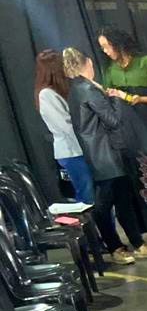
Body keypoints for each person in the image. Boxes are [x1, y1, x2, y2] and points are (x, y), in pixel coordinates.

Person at [62, 47, 147, 265]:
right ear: (88, 63)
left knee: (121, 199)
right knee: (107, 204)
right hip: (107, 155)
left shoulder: (75, 89)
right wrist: (117, 98)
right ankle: (117, 246)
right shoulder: (89, 89)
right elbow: (113, 120)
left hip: (100, 154)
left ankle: (135, 243)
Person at [96, 27, 147, 157]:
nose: (105, 51)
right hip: (127, 130)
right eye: (102, 48)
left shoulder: (146, 61)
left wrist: (142, 99)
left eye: (107, 46)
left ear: (118, 42)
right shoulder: (109, 68)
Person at [33, 49, 93, 205]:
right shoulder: (46, 94)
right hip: (71, 151)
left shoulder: (61, 89)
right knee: (86, 195)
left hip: (80, 149)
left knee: (90, 192)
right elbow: (65, 125)